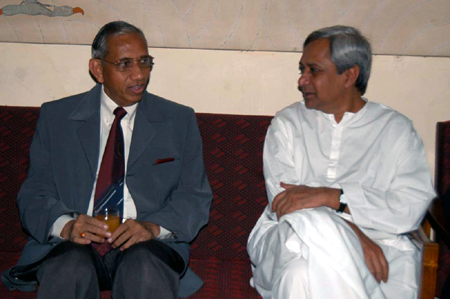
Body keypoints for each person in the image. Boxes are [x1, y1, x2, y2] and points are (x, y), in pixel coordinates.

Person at [1, 21, 212, 299]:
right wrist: (66, 225)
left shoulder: (177, 121)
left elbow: (194, 197)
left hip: (145, 246)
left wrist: (152, 228)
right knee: (67, 269)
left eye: (144, 62)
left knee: (144, 268)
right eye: (125, 64)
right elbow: (34, 193)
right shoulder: (57, 118)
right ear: (98, 69)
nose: (139, 75)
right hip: (75, 244)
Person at [247, 25, 436, 298]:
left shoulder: (396, 130)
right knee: (301, 240)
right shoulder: (287, 123)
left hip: (380, 248)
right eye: (302, 70)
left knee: (300, 275)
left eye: (314, 70)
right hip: (290, 239)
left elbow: (408, 209)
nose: (302, 80)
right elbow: (286, 203)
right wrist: (354, 237)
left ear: (349, 76)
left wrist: (333, 196)